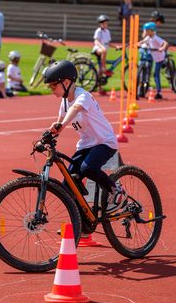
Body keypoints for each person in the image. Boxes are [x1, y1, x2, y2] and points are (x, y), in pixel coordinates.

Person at [43, 59, 128, 215]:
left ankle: (115, 190)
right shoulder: (64, 102)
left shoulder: (83, 96)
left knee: (87, 168)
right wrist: (51, 134)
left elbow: (75, 110)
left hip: (104, 142)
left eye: (53, 85)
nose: (51, 89)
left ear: (66, 82)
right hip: (86, 145)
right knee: (69, 183)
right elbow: (60, 121)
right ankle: (82, 222)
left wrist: (62, 125)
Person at [138, 22, 169, 100]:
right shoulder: (149, 38)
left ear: (152, 30)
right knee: (155, 74)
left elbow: (165, 43)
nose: (146, 32)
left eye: (147, 30)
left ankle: (159, 92)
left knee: (156, 75)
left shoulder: (155, 38)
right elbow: (141, 42)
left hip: (160, 59)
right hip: (156, 58)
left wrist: (162, 48)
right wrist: (136, 44)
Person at [92, 14, 118, 95]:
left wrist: (116, 46)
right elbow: (96, 41)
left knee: (99, 71)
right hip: (97, 49)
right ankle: (104, 68)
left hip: (103, 50)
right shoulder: (98, 31)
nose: (105, 24)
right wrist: (102, 47)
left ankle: (100, 88)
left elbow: (108, 43)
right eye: (104, 23)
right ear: (100, 24)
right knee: (104, 51)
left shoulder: (107, 32)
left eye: (106, 23)